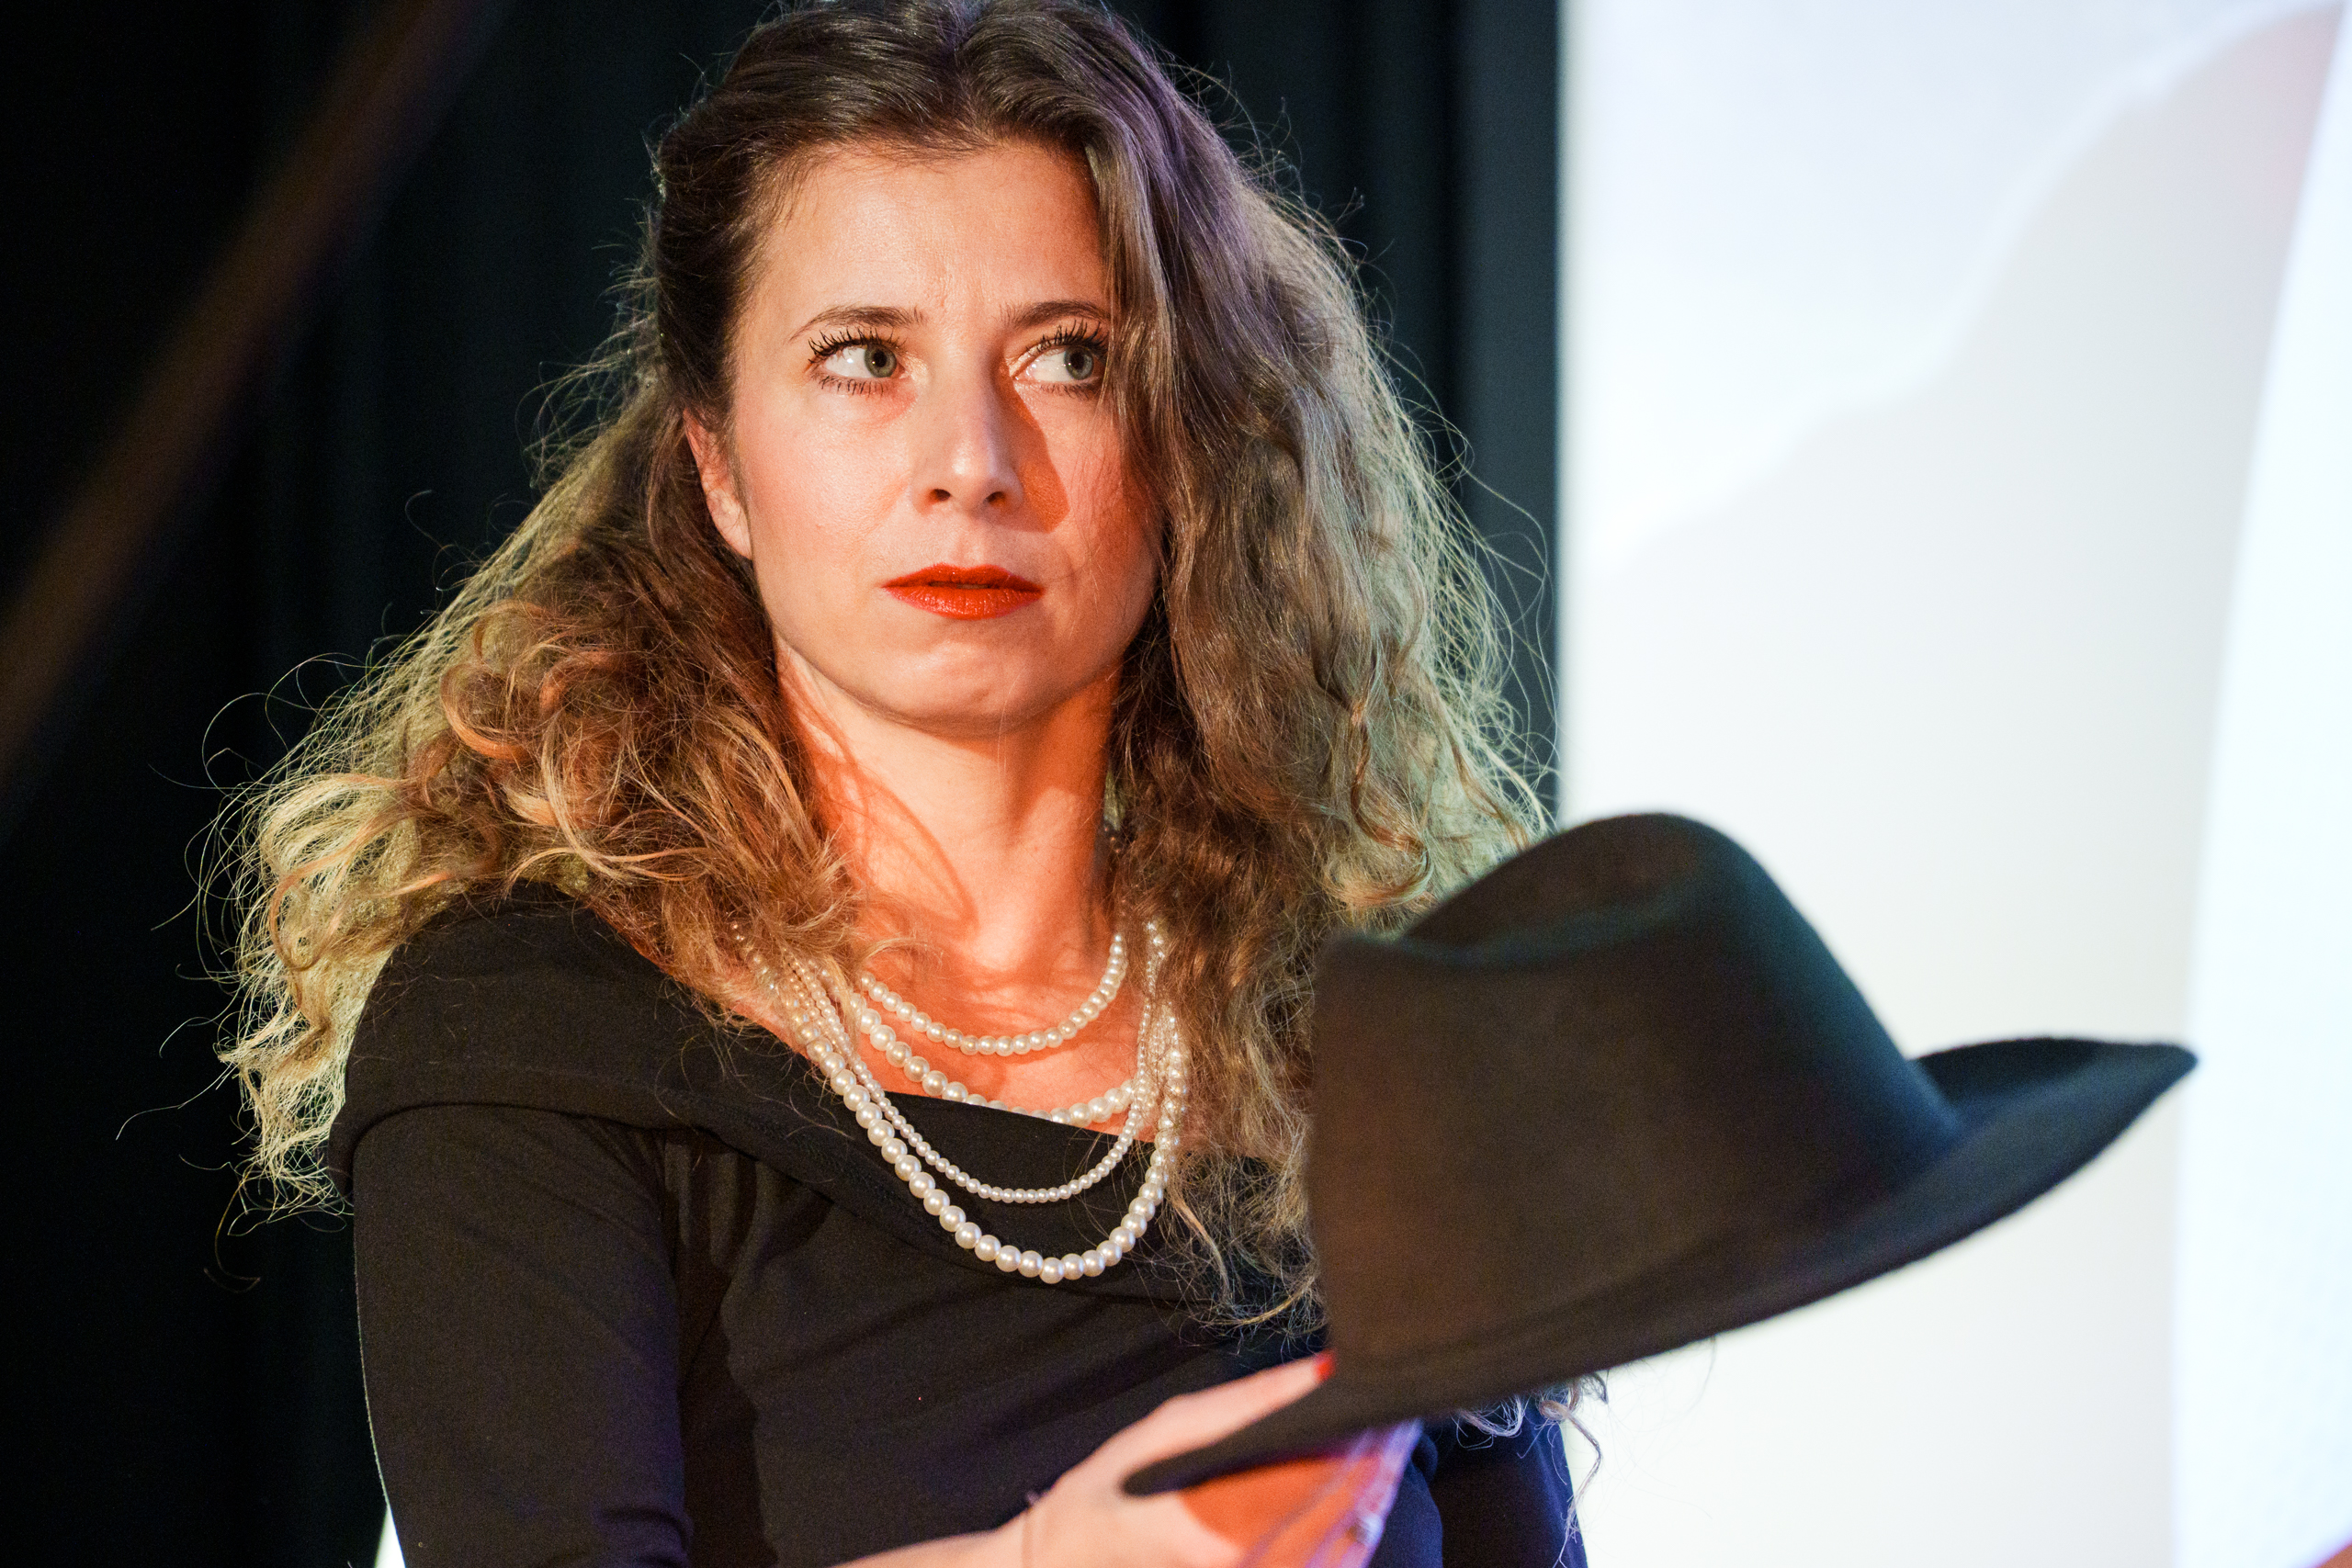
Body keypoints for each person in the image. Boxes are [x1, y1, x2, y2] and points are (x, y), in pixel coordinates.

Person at [220, 2, 1584, 1562]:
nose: (972, 462)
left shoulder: (1352, 1062)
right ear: (719, 465)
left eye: (1069, 359)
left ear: (1184, 441)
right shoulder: (534, 1031)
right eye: (864, 360)